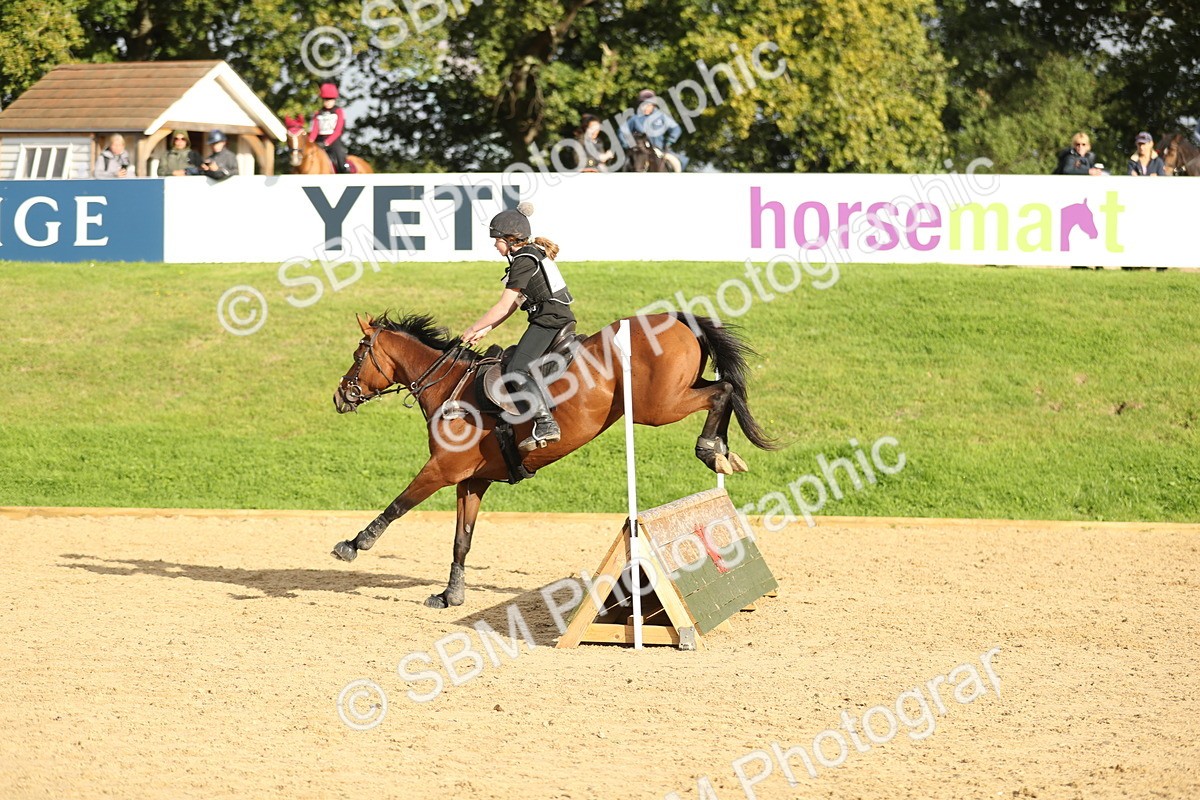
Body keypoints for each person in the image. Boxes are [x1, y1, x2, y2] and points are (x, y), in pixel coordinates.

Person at [462, 202, 574, 453]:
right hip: (550, 317)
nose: (495, 245)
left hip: (549, 320)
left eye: (497, 240)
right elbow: (514, 304)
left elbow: (503, 306)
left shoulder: (524, 260)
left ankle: (546, 424)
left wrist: (472, 328)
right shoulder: (529, 255)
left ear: (510, 239)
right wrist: (485, 330)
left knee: (516, 369)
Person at [618, 89, 684, 165]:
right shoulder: (635, 118)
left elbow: (676, 129)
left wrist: (670, 140)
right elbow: (622, 131)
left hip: (659, 150)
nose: (644, 107)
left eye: (647, 105)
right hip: (640, 151)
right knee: (626, 164)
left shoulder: (662, 116)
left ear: (653, 105)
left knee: (676, 164)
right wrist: (627, 144)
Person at [310, 83, 350, 174]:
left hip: (333, 141)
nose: (328, 102)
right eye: (326, 99)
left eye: (330, 99)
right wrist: (310, 141)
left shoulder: (338, 111)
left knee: (339, 155)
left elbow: (338, 130)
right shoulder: (318, 113)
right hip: (319, 141)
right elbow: (315, 130)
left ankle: (344, 170)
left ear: (334, 100)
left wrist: (327, 142)